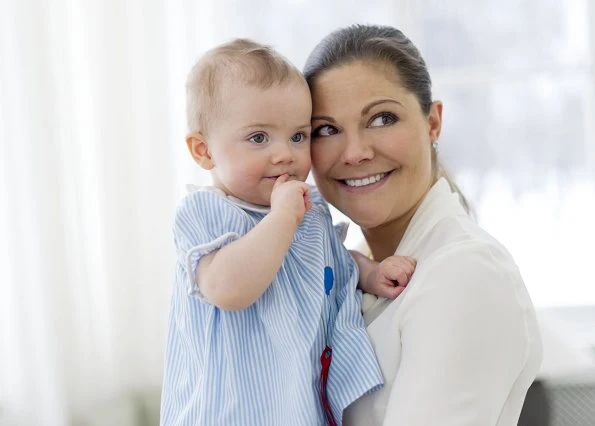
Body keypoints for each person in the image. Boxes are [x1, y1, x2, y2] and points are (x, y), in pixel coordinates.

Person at [160, 39, 417, 425]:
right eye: (259, 138)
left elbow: (325, 259)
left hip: (296, 404)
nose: (285, 154)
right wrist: (281, 219)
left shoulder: (305, 208)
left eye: (298, 136)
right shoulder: (206, 212)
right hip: (226, 411)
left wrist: (369, 273)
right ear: (204, 151)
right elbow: (228, 288)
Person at [303, 24, 543, 425]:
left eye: (382, 118)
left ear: (433, 122)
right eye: (326, 130)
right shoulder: (350, 268)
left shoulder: (464, 272)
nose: (356, 152)